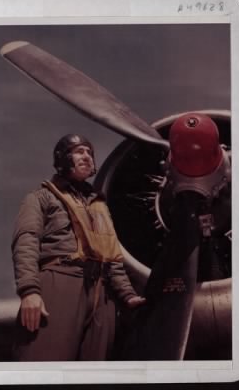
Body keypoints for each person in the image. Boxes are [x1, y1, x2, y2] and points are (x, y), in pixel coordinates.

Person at [11, 134, 145, 361]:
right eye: (79, 151)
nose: (87, 156)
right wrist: (30, 291)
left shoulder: (100, 206)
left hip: (103, 294)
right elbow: (26, 241)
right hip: (61, 279)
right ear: (62, 158)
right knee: (44, 364)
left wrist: (127, 294)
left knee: (95, 372)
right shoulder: (40, 198)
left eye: (89, 153)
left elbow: (111, 255)